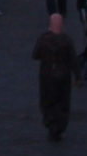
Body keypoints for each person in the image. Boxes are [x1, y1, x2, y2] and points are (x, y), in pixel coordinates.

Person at [33, 13, 76, 141]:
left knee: (47, 101)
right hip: (64, 76)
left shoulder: (43, 39)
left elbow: (35, 55)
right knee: (63, 102)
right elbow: (73, 59)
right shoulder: (67, 40)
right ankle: (60, 126)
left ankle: (51, 124)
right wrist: (78, 76)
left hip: (47, 76)